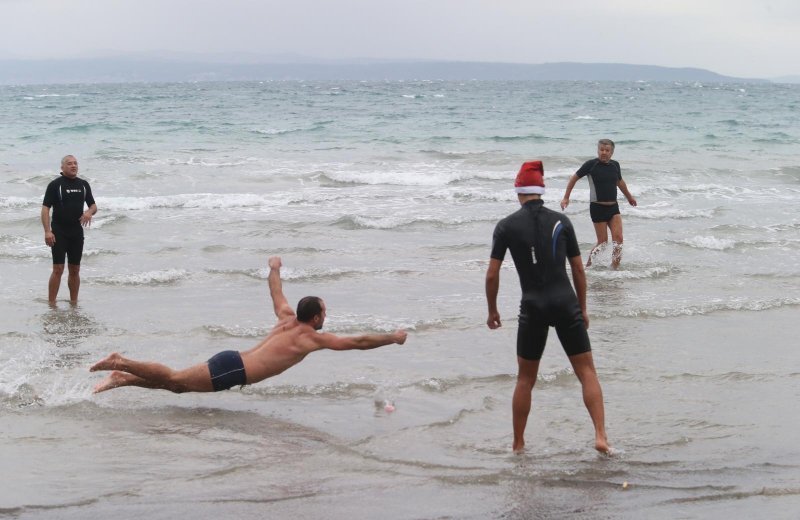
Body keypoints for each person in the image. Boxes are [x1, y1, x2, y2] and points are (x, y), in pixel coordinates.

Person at [90, 256, 408, 394]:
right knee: (174, 379)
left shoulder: (287, 316)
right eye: (324, 313)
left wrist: (273, 267)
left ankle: (122, 379)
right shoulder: (310, 338)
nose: (327, 316)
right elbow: (359, 342)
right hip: (234, 370)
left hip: (231, 361)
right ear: (315, 318)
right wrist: (392, 338)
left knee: (176, 386)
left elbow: (276, 290)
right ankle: (121, 362)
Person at [485, 160, 611, 454]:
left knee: (525, 379)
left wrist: (492, 310)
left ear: (518, 190)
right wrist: (582, 308)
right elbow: (578, 270)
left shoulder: (506, 226)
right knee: (587, 372)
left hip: (533, 307)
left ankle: (518, 445)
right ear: (541, 191)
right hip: (566, 303)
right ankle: (601, 436)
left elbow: (491, 274)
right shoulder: (561, 221)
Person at [560, 139, 636, 269]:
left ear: (612, 152)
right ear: (598, 150)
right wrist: (566, 197)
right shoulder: (591, 165)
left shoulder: (615, 165)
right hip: (597, 208)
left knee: (618, 240)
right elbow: (574, 178)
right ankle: (587, 268)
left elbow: (620, 182)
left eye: (607, 150)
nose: (604, 153)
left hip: (613, 207)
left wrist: (629, 197)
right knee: (603, 242)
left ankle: (614, 269)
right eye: (601, 150)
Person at [41, 155, 97, 304]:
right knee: (58, 269)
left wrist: (88, 212)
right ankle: (51, 304)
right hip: (59, 232)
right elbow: (45, 208)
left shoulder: (83, 184)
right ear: (62, 167)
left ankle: (74, 303)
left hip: (76, 233)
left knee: (75, 270)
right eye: (69, 163)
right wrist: (47, 231)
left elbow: (93, 205)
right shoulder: (55, 185)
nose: (73, 166)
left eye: (75, 163)